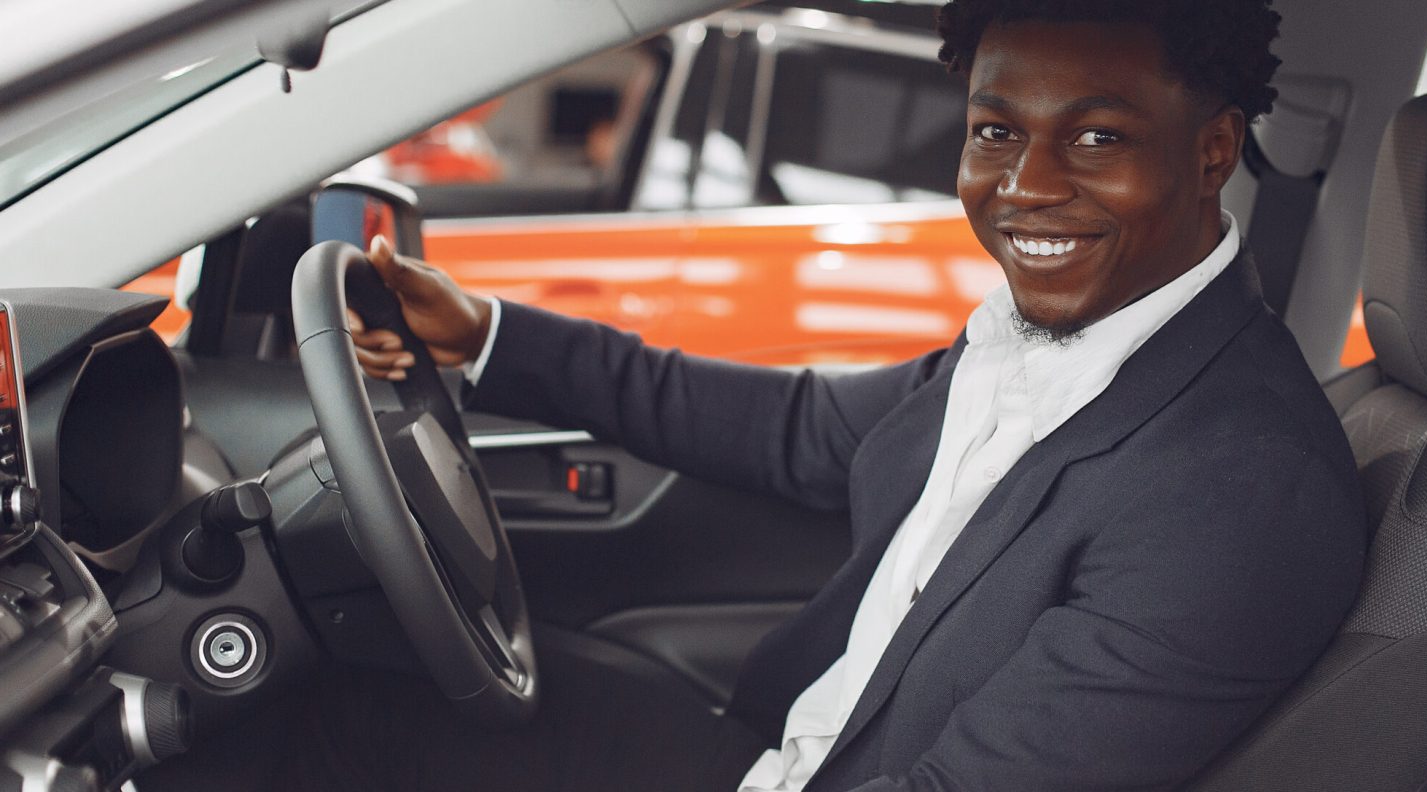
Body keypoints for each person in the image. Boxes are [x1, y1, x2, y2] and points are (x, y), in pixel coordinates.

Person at [334, 1, 1365, 789]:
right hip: (776, 751)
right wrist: (487, 336)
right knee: (350, 704)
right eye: (996, 132)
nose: (1027, 185)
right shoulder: (1041, 344)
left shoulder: (1243, 493)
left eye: (1098, 138)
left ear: (1212, 152)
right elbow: (794, 429)